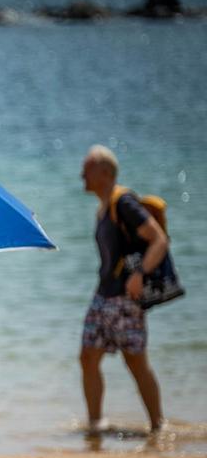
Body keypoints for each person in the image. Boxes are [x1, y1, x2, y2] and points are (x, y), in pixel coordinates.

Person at [79, 145, 168, 433]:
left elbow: (159, 240)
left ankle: (158, 426)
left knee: (135, 362)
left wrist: (140, 274)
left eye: (87, 168)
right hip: (103, 295)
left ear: (105, 173)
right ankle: (96, 424)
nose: (82, 174)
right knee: (87, 357)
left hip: (126, 298)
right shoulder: (103, 208)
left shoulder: (124, 202)